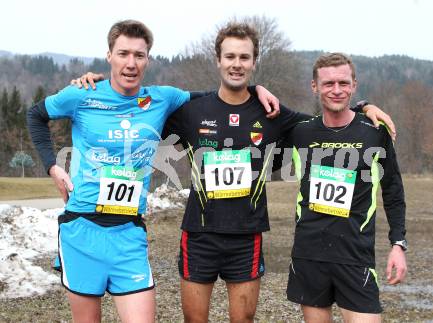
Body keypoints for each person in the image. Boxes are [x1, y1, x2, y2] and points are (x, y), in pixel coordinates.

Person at [75, 22, 395, 323]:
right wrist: (99, 85)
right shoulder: (190, 111)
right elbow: (135, 105)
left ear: (254, 61)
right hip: (199, 235)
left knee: (243, 319)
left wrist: (363, 106)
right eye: (230, 56)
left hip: (246, 237)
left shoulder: (272, 112)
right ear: (218, 60)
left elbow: (327, 117)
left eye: (244, 57)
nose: (236, 63)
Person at [26, 19, 278, 323]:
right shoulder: (82, 95)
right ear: (109, 56)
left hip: (129, 231)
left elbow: (219, 96)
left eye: (139, 55)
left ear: (148, 59)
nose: (130, 63)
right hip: (82, 228)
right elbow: (36, 115)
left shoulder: (162, 98)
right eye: (123, 54)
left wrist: (255, 88)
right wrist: (52, 166)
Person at [284, 53, 407, 323]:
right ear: (314, 86)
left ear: (354, 84)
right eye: (328, 84)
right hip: (309, 255)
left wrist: (398, 244)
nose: (336, 90)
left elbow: (394, 192)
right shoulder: (300, 132)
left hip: (355, 256)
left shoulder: (375, 131)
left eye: (343, 82)